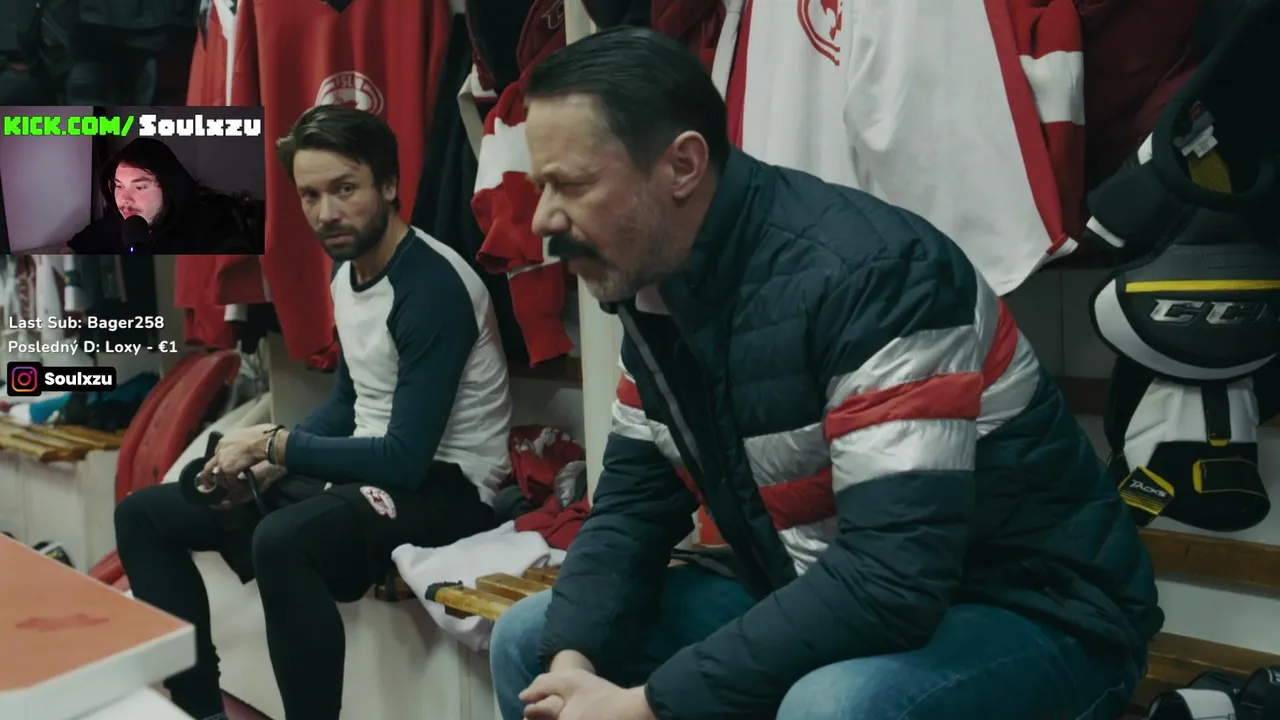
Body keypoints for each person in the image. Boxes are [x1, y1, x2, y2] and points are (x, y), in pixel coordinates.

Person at [488, 27, 1163, 720]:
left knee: (832, 708)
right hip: (814, 583)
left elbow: (891, 580)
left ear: (683, 166)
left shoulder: (879, 278)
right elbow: (632, 512)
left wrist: (646, 704)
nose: (542, 220)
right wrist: (571, 668)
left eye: (572, 184)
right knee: (530, 643)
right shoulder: (656, 290)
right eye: (540, 186)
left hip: (1035, 611)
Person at [113, 105, 514, 720]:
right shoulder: (348, 271)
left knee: (282, 541)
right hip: (376, 471)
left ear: (389, 185)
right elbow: (352, 404)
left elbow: (406, 458)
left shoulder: (432, 286)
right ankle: (201, 709)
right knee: (147, 515)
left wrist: (275, 445)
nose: (326, 212)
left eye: (345, 189)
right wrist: (272, 459)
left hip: (449, 486)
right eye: (310, 195)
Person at [65, 136, 260, 254]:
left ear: (168, 187)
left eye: (139, 187)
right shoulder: (119, 222)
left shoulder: (212, 228)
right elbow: (73, 248)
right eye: (118, 186)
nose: (124, 199)